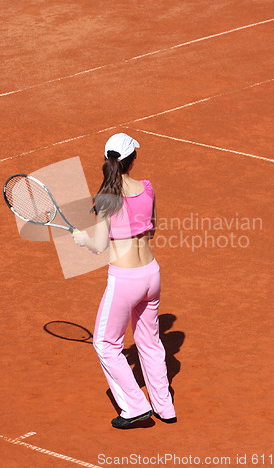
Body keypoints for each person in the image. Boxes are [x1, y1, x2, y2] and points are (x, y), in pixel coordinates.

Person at [72, 133, 176, 429]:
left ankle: (135, 407)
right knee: (150, 342)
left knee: (105, 344)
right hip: (151, 275)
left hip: (125, 280)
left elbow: (99, 245)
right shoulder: (147, 188)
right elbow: (151, 231)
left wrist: (83, 239)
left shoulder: (107, 198)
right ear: (132, 161)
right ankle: (164, 407)